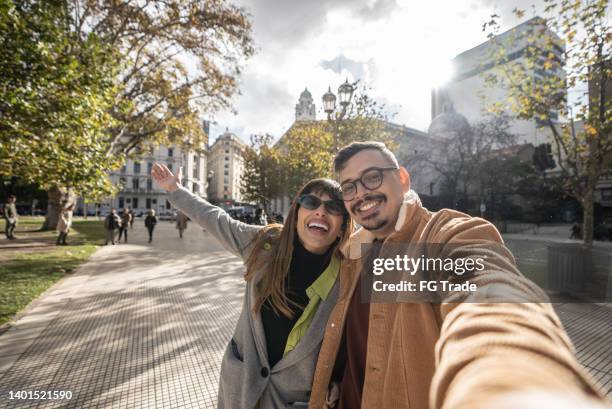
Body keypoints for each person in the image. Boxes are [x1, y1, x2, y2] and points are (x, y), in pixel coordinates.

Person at [307, 142, 605, 409]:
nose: (361, 193)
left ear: (402, 178)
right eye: (349, 187)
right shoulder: (352, 254)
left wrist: (517, 379)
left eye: (372, 177)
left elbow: (487, 288)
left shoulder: (442, 235)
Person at [151, 163, 351, 409]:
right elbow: (217, 220)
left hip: (295, 401)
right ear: (297, 212)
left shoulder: (350, 274)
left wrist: (340, 383)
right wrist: (175, 190)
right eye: (311, 202)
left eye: (333, 207)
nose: (320, 211)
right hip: (241, 390)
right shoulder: (264, 243)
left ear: (342, 226)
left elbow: (358, 341)